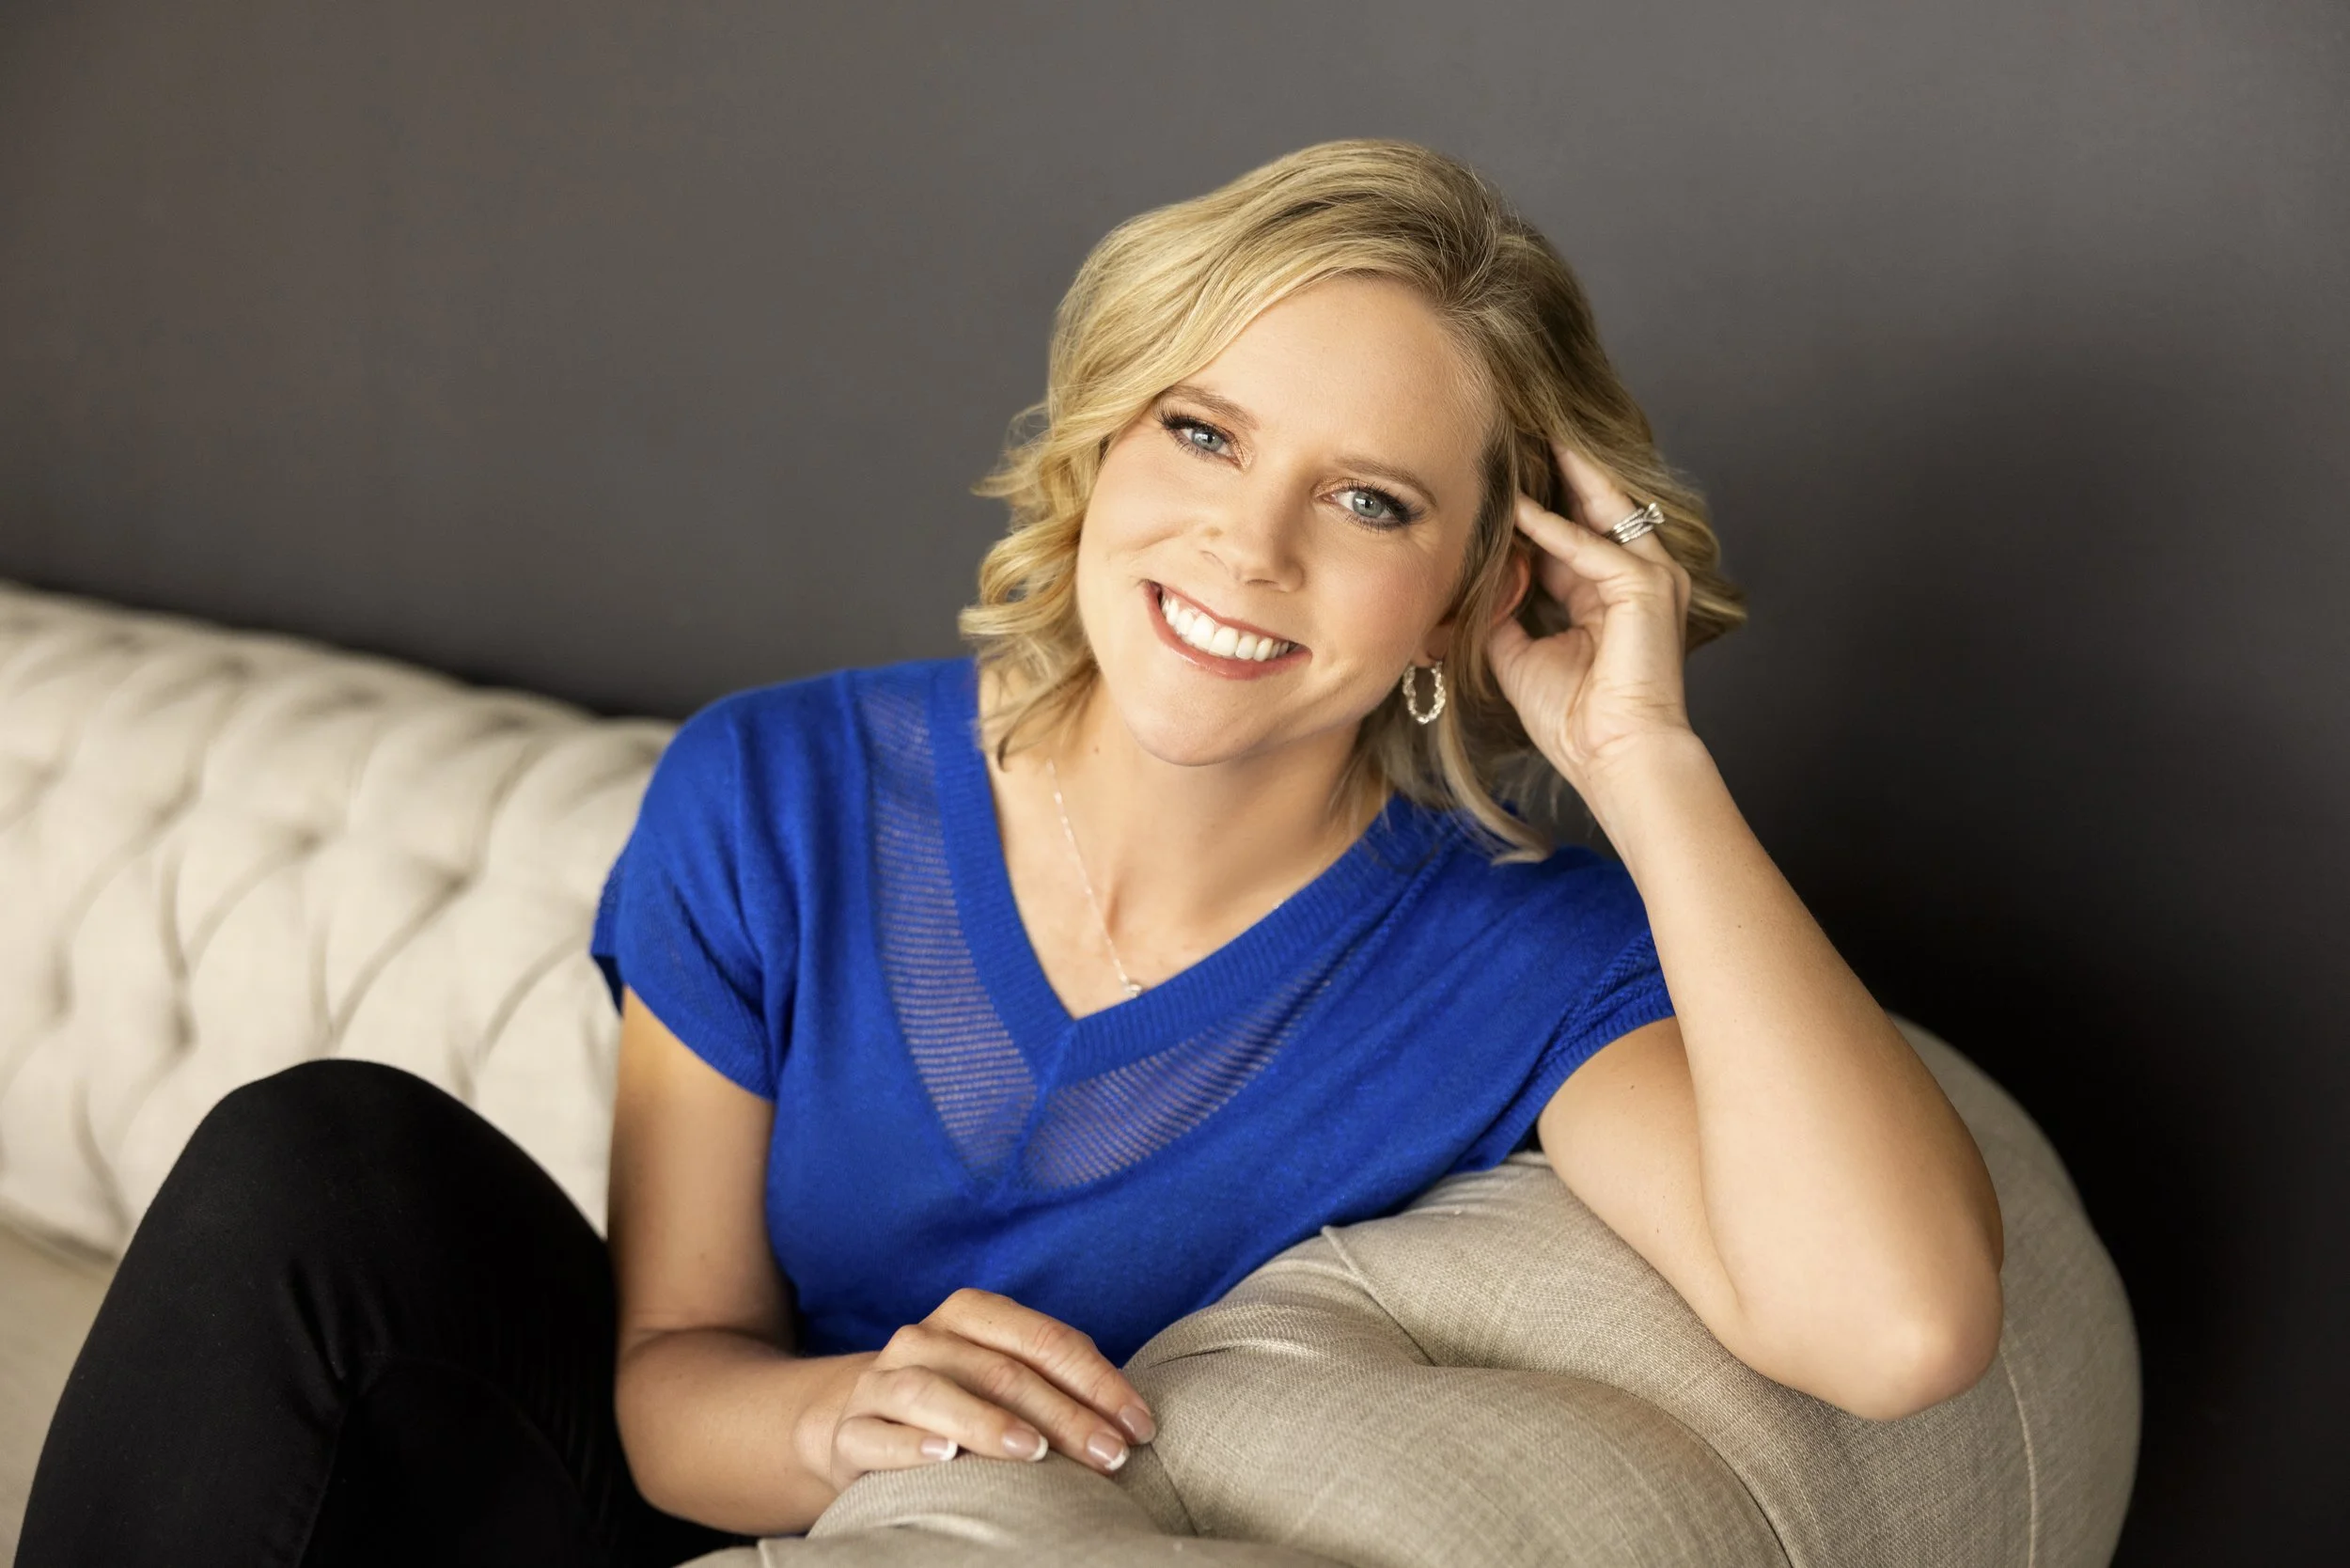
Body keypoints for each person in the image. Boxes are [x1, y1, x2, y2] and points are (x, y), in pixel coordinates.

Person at [17, 138, 2005, 1564]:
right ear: (1099, 451)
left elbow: (1895, 1326)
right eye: (1202, 435)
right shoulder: (782, 792)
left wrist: (1641, 754)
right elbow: (664, 1376)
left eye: (1371, 501)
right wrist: (835, 1414)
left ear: (1482, 584)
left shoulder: (1514, 960)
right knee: (321, 1153)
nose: (1247, 544)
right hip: (661, 1490)